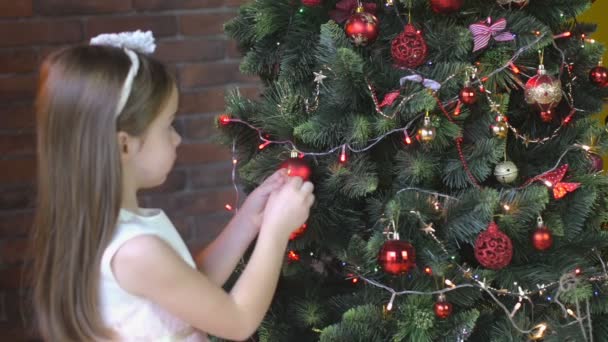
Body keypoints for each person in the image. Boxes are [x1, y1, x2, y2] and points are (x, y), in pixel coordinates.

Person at [29, 30, 315, 341]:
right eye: (168, 126)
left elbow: (192, 286)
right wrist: (275, 231)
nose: (177, 138)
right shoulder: (135, 251)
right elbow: (237, 320)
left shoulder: (116, 228)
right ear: (124, 146)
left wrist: (249, 220)